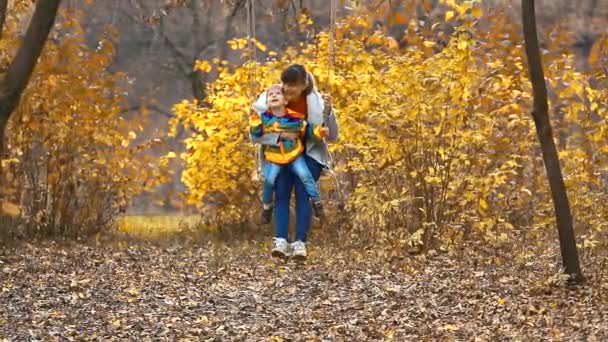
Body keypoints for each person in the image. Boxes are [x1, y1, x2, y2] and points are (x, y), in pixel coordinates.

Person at [250, 64, 339, 260]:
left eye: (292, 85)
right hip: (279, 152)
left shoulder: (317, 102)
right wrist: (280, 136)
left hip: (310, 152)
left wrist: (329, 112)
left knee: (302, 191)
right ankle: (281, 241)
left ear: (303, 84)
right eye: (285, 83)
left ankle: (300, 243)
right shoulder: (271, 99)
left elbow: (333, 136)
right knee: (281, 190)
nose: (287, 89)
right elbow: (255, 135)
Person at [249, 84, 328, 223]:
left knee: (305, 176)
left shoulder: (294, 118)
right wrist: (254, 120)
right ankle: (267, 207)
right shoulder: (265, 119)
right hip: (274, 157)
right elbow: (256, 134)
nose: (273, 95)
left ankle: (317, 204)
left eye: (277, 93)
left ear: (285, 100)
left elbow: (307, 130)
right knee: (269, 180)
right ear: (267, 102)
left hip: (294, 155)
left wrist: (319, 132)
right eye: (270, 95)